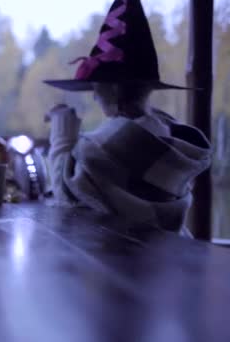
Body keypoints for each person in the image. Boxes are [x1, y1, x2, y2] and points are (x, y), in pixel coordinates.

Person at [42, 0, 212, 232]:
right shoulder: (166, 137)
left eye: (96, 88)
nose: (94, 96)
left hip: (124, 261)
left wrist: (62, 132)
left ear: (113, 89)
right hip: (170, 258)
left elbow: (66, 192)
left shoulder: (109, 148)